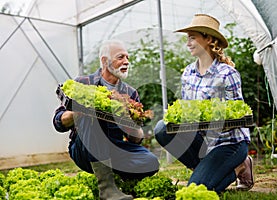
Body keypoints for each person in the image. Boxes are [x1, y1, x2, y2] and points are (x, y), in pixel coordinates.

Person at [154, 14, 254, 193]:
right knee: (163, 128)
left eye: (192, 38)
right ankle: (206, 169)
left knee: (197, 189)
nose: (188, 43)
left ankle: (240, 166)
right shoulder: (188, 73)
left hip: (229, 142)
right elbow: (186, 110)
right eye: (187, 38)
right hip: (204, 142)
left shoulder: (227, 73)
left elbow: (238, 114)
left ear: (208, 39)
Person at [53, 40, 159, 200]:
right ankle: (107, 188)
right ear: (104, 61)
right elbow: (58, 122)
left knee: (151, 161)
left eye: (127, 58)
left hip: (115, 149)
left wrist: (128, 123)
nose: (126, 61)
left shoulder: (130, 93)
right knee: (92, 111)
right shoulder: (83, 83)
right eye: (120, 57)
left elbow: (136, 139)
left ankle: (113, 179)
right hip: (84, 149)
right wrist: (79, 113)